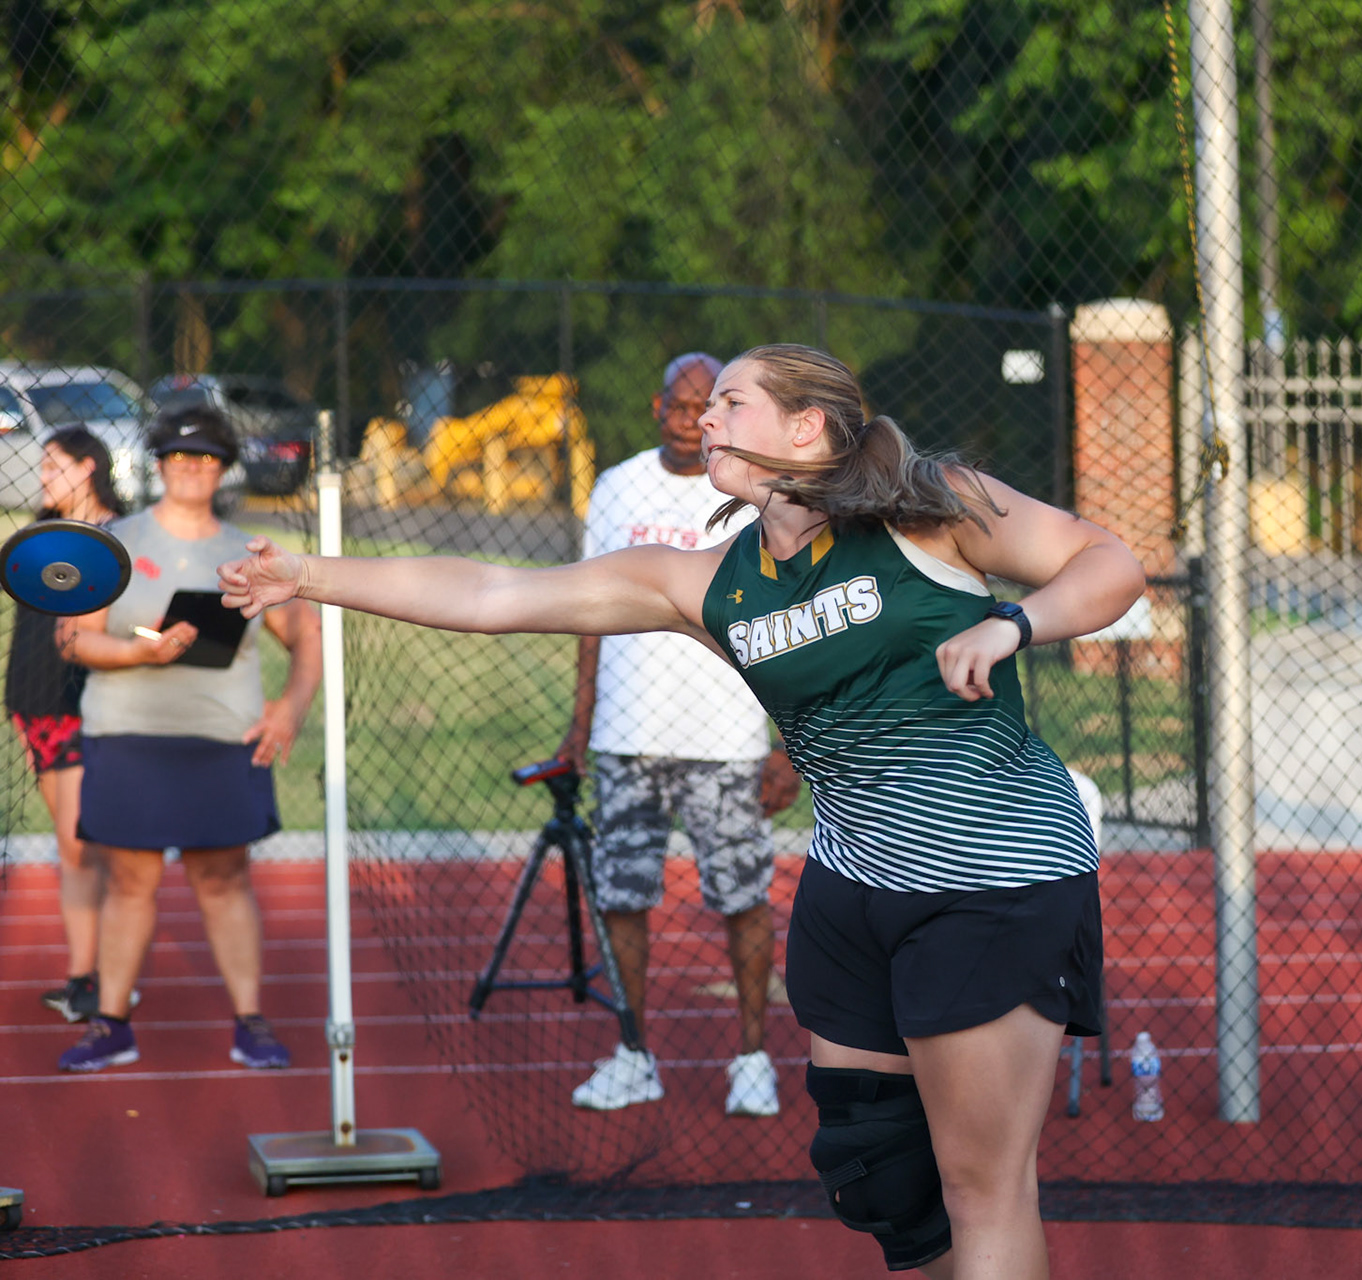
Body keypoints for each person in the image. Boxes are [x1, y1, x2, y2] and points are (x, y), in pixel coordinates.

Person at [219, 343, 1145, 1279]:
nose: (705, 418)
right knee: (881, 1182)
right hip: (855, 882)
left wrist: (1013, 622)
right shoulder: (711, 583)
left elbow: (1108, 562)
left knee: (981, 1184)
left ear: (805, 427)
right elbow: (496, 594)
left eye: (732, 404)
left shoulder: (929, 504)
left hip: (989, 875)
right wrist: (308, 575)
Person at [557, 350, 801, 1117]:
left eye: (709, 403)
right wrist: (580, 721)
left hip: (726, 738)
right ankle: (633, 1053)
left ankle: (753, 1058)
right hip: (626, 735)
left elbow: (792, 622)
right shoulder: (616, 485)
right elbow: (588, 610)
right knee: (622, 895)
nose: (693, 417)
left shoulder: (754, 488)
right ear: (661, 408)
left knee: (741, 896)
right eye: (681, 402)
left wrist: (786, 742)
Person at [54, 404, 322, 1073]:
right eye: (178, 458)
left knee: (224, 878)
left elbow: (305, 634)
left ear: (224, 468)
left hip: (221, 738)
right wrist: (140, 656)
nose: (191, 469)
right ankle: (112, 1024)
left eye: (205, 458)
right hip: (129, 733)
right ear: (160, 465)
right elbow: (73, 637)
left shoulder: (247, 552)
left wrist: (290, 708)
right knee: (130, 881)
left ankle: (250, 1022)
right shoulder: (118, 540)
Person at [9, 428, 127, 1021]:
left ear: (87, 469)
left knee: (85, 850)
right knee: (73, 850)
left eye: (53, 467)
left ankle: (107, 976)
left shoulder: (119, 539)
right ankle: (85, 977)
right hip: (37, 712)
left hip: (86, 711)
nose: (41, 477)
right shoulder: (40, 534)